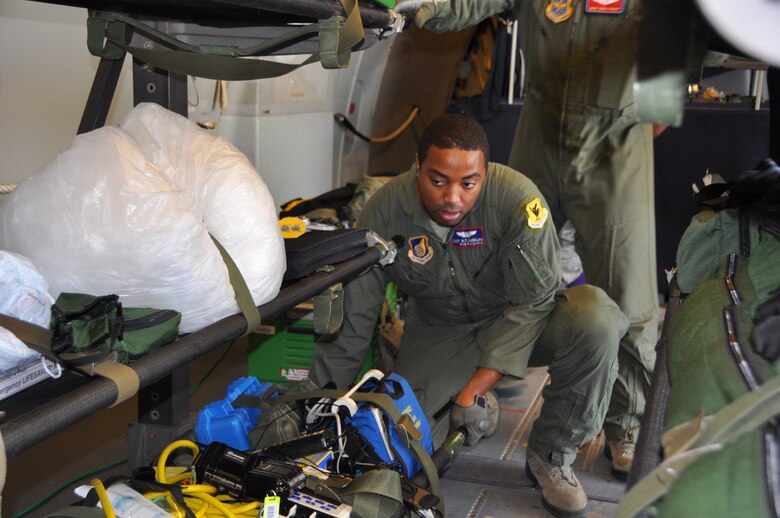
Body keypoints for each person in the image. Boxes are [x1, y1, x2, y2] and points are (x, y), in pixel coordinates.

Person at [310, 114, 628, 517]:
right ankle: (478, 412)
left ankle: (551, 456)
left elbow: (534, 301)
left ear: (485, 173)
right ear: (417, 166)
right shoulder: (384, 212)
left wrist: (477, 382)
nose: (453, 199)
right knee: (400, 445)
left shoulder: (517, 200)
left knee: (595, 319)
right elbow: (352, 322)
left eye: (468, 183)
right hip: (440, 331)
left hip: (520, 322)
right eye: (438, 180)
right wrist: (318, 411)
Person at [396, 0, 661, 481]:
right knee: (501, 267)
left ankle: (626, 426)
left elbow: (679, 40)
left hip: (615, 139)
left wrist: (647, 118)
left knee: (628, 289)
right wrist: (420, 7)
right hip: (541, 129)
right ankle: (479, 382)